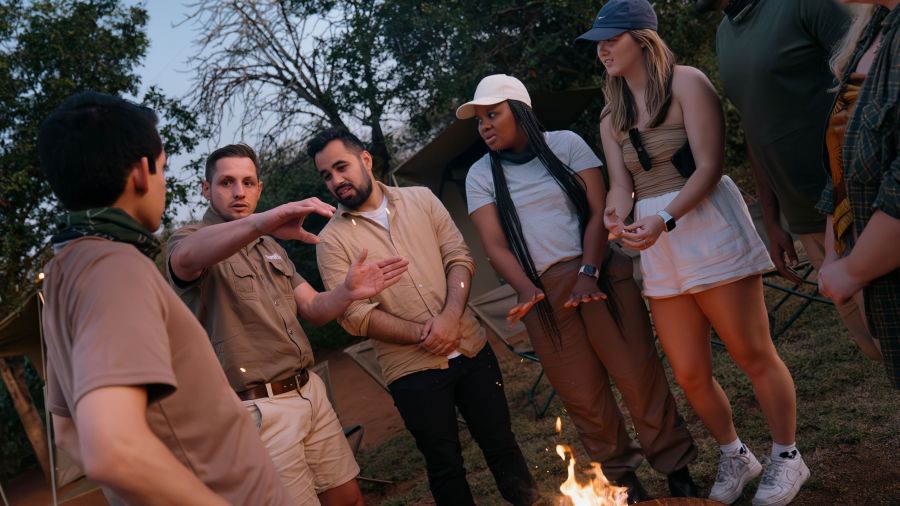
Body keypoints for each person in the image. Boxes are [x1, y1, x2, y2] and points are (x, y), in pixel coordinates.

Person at [580, 1, 808, 505]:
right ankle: (735, 454)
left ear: (642, 39)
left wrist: (664, 218)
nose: (602, 50)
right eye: (598, 42)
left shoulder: (687, 82)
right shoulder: (611, 113)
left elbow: (709, 166)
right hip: (659, 243)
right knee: (688, 372)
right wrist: (616, 216)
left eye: (611, 39)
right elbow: (621, 184)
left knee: (752, 353)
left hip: (704, 223)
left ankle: (788, 455)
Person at [37, 92, 291, 505]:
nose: (163, 183)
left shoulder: (64, 272)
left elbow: (67, 432)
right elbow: (113, 451)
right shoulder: (114, 270)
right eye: (163, 168)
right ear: (142, 172)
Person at [459, 74, 698, 503]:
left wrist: (589, 270)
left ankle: (676, 467)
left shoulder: (566, 144)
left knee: (637, 374)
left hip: (599, 272)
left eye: (492, 114)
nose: (485, 126)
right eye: (479, 120)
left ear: (520, 111)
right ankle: (625, 481)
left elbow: (598, 211)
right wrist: (525, 289)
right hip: (540, 294)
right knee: (582, 394)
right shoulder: (480, 175)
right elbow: (495, 245)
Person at [166, 143, 408, 505]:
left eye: (248, 183)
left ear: (259, 188)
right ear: (206, 189)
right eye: (227, 182)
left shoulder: (268, 245)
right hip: (257, 410)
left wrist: (347, 292)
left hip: (309, 391)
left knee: (349, 499)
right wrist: (267, 219)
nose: (239, 192)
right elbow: (186, 258)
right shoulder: (188, 239)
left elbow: (313, 307)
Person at [311, 128, 539, 506]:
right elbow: (353, 315)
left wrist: (450, 317)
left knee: (502, 444)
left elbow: (459, 258)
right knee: (445, 467)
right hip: (410, 372)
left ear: (365, 160)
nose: (336, 181)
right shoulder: (331, 241)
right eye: (326, 175)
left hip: (470, 346)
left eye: (341, 167)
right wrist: (424, 334)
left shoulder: (421, 199)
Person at [696, 0, 879, 361]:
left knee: (888, 332)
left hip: (858, 202)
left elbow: (872, 80)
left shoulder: (801, 4)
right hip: (805, 218)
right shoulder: (724, 34)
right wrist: (772, 217)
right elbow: (754, 125)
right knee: (871, 345)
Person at [818, 0, 900, 389]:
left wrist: (853, 270)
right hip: (870, 261)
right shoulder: (875, 27)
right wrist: (835, 247)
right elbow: (844, 156)